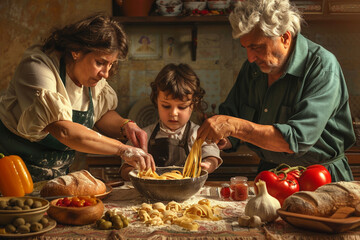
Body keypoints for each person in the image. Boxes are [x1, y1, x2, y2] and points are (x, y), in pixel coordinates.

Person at [197, 0, 356, 182]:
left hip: (320, 176)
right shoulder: (253, 68)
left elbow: (296, 139)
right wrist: (224, 138)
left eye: (257, 47)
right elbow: (233, 114)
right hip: (270, 175)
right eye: (246, 48)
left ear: (285, 37)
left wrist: (234, 126)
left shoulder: (322, 67)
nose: (250, 58)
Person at [0, 13, 155, 182]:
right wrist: (123, 149)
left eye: (111, 64)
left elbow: (101, 114)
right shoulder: (38, 67)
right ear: (77, 51)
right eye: (100, 62)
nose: (106, 73)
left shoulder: (92, 77)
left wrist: (126, 126)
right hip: (10, 170)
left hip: (55, 175)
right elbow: (64, 131)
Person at [120, 63, 222, 180]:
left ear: (193, 104)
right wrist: (135, 173)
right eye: (166, 106)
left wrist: (207, 165)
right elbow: (125, 168)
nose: (173, 113)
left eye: (182, 107)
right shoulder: (144, 135)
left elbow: (212, 157)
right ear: (156, 101)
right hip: (151, 192)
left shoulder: (199, 134)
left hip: (187, 193)